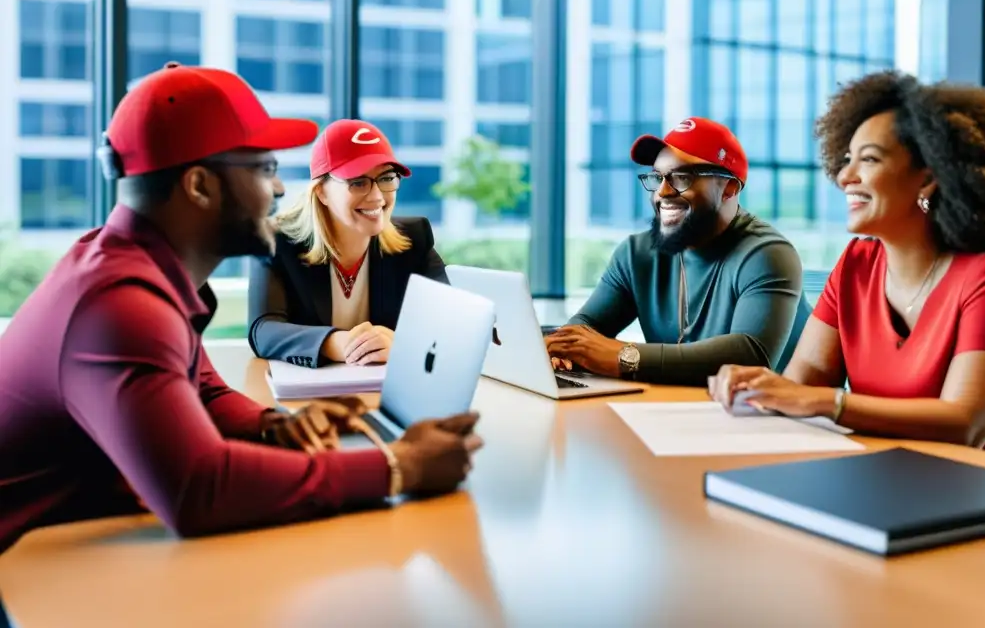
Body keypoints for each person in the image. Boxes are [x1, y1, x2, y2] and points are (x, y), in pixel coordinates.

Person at [0, 63, 483, 555]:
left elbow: (203, 389)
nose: (277, 190)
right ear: (199, 186)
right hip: (22, 569)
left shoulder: (130, 268)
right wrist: (399, 466)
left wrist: (276, 426)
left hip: (62, 542)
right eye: (265, 168)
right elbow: (199, 490)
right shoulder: (121, 306)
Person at [709, 72, 985, 458]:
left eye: (869, 159)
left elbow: (966, 425)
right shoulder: (856, 265)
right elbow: (801, 383)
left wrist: (828, 403)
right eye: (846, 160)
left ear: (928, 178)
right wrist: (758, 389)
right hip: (890, 475)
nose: (844, 177)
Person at [545, 117, 811, 385]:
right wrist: (562, 349)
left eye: (681, 177)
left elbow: (750, 355)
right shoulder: (637, 254)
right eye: (657, 177)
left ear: (729, 188)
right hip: (686, 410)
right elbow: (585, 327)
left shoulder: (767, 254)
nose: (662, 192)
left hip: (776, 419)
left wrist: (624, 356)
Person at [248, 119, 448, 369]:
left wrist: (403, 343)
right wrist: (341, 344)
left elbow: (449, 322)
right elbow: (263, 331)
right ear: (321, 191)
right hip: (312, 396)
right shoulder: (276, 241)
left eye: (386, 178)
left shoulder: (414, 238)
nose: (377, 197)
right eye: (358, 182)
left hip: (385, 391)